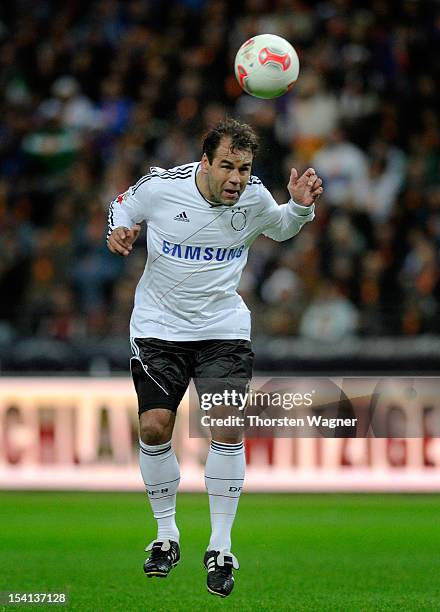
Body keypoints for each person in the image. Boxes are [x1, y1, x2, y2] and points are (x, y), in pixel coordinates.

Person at [106, 118, 323, 597]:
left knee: (225, 422)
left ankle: (221, 546)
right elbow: (122, 205)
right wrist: (118, 232)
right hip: (159, 329)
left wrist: (300, 209)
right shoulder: (162, 187)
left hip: (222, 329)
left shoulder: (254, 197)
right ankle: (165, 535)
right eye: (227, 166)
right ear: (205, 162)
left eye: (244, 169)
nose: (236, 179)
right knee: (155, 428)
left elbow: (281, 227)